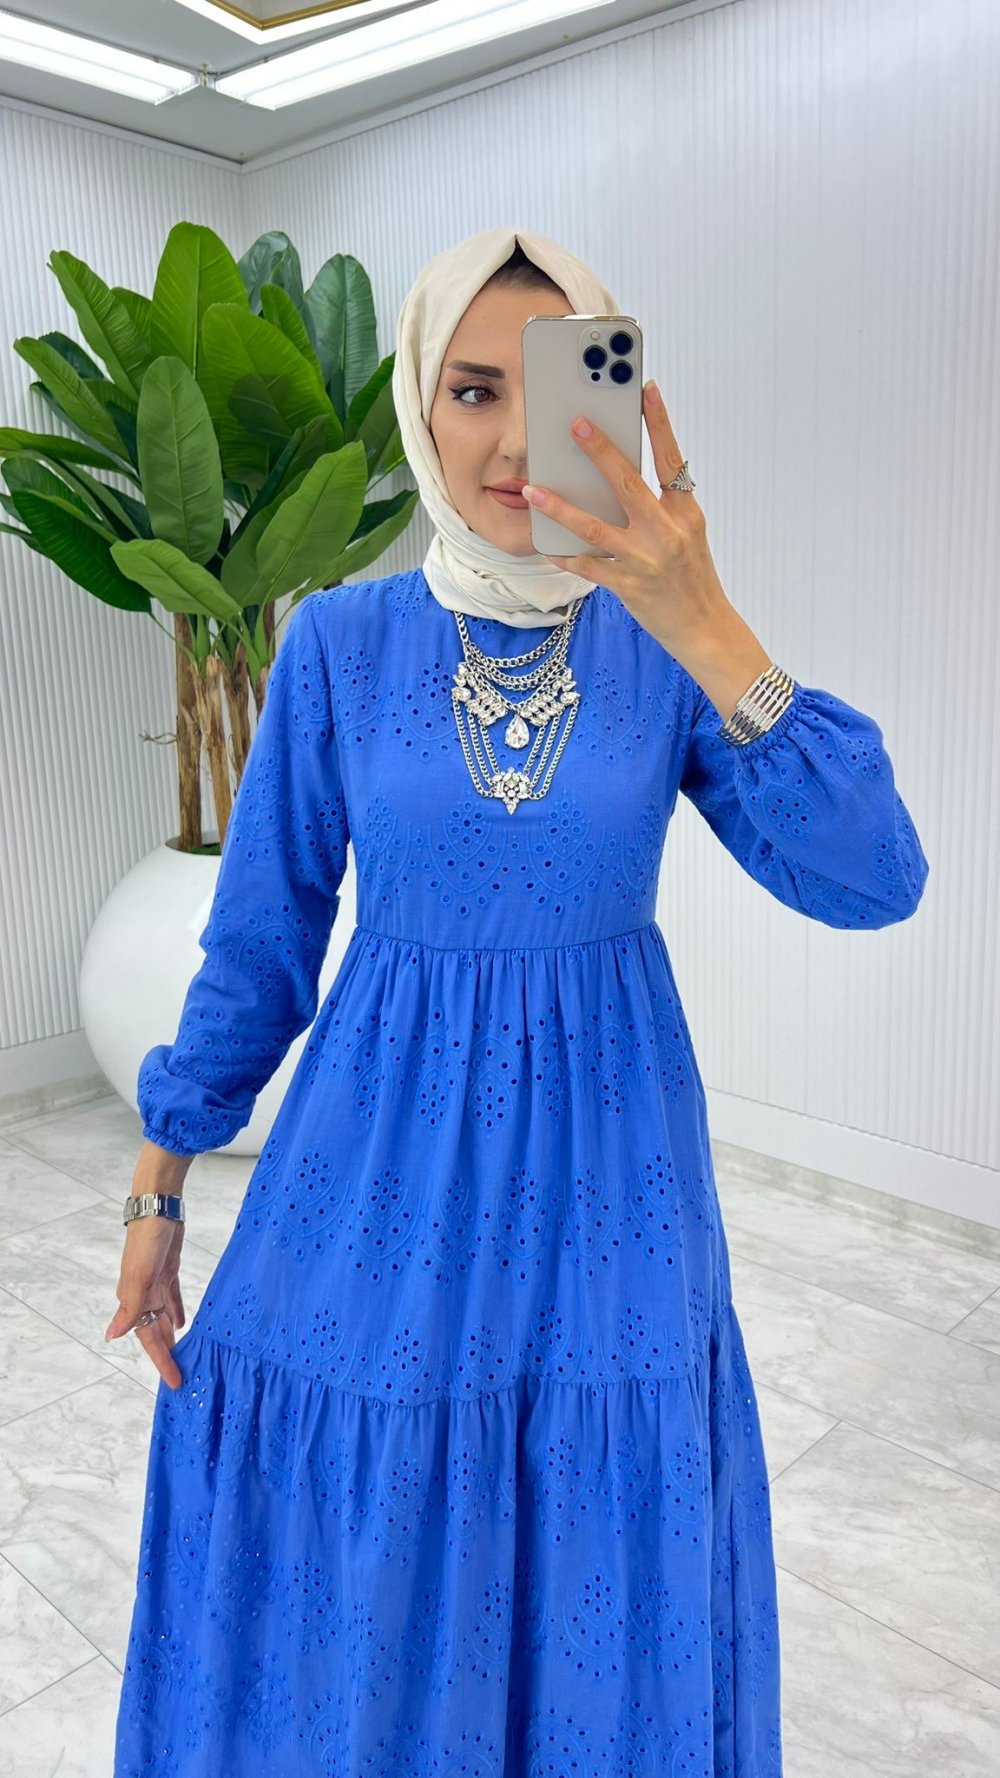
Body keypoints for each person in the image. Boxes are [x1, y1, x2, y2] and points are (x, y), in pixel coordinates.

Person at [109, 226, 929, 1775]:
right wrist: (160, 1183)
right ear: (422, 402)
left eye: (552, 391)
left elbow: (875, 877)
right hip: (380, 1165)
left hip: (611, 1180)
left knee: (590, 1513)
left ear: (608, 403)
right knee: (361, 1508)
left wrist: (709, 620)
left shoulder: (662, 646)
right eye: (472, 388)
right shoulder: (339, 643)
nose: (505, 438)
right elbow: (262, 943)